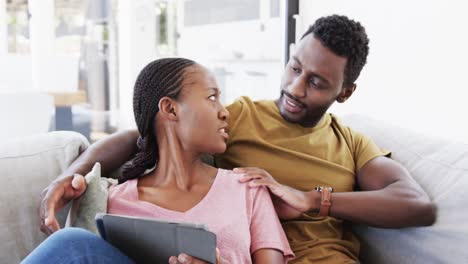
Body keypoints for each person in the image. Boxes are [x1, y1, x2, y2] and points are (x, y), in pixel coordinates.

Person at [39, 15, 436, 264]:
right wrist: (70, 175)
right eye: (294, 68)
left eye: (316, 82)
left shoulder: (349, 143)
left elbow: (417, 205)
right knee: (72, 246)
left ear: (344, 93)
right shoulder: (242, 116)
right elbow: (142, 136)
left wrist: (312, 199)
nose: (295, 88)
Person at [26, 58, 294, 264]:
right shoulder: (116, 201)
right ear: (170, 108)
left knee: (73, 243)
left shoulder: (247, 187)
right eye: (212, 97)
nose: (224, 112)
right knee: (73, 244)